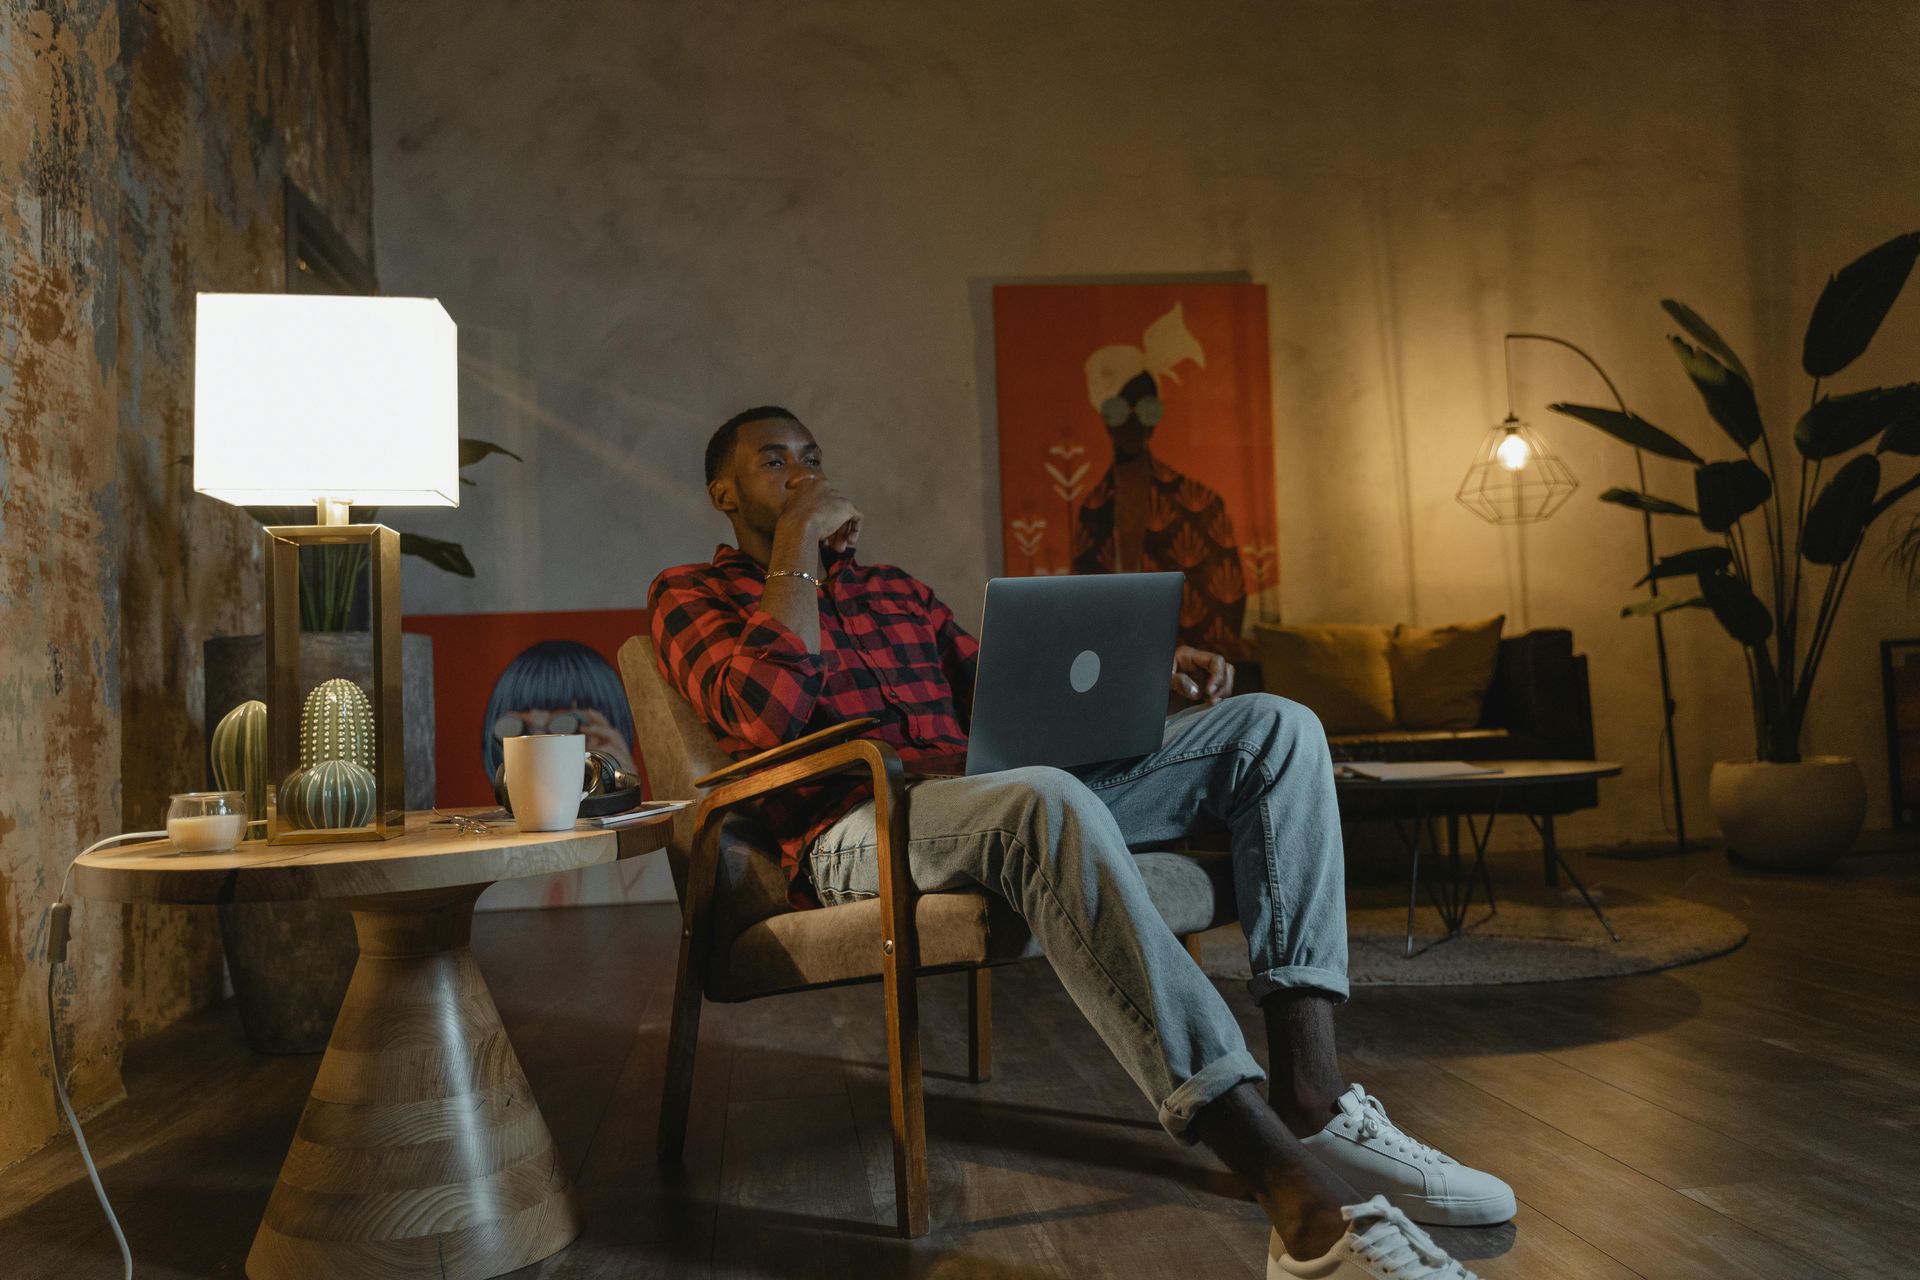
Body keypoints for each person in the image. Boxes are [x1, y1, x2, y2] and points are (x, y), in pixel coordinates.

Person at [648, 406, 1510, 1279]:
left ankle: (1312, 1094)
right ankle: (1294, 1191)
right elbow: (761, 713)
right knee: (1041, 798)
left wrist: (1151, 673)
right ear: (724, 492)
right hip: (856, 825)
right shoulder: (689, 593)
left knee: (1275, 729)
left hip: (989, 794)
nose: (802, 474)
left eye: (812, 459)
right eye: (773, 463)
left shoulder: (897, 590)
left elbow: (1011, 685)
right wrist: (798, 542)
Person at [1073, 303, 1252, 659]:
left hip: (1193, 676)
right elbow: (1082, 609)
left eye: (1146, 408)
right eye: (1120, 410)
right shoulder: (1093, 509)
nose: (1134, 422)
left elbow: (1226, 605)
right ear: (1105, 415)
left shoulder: (1200, 501)